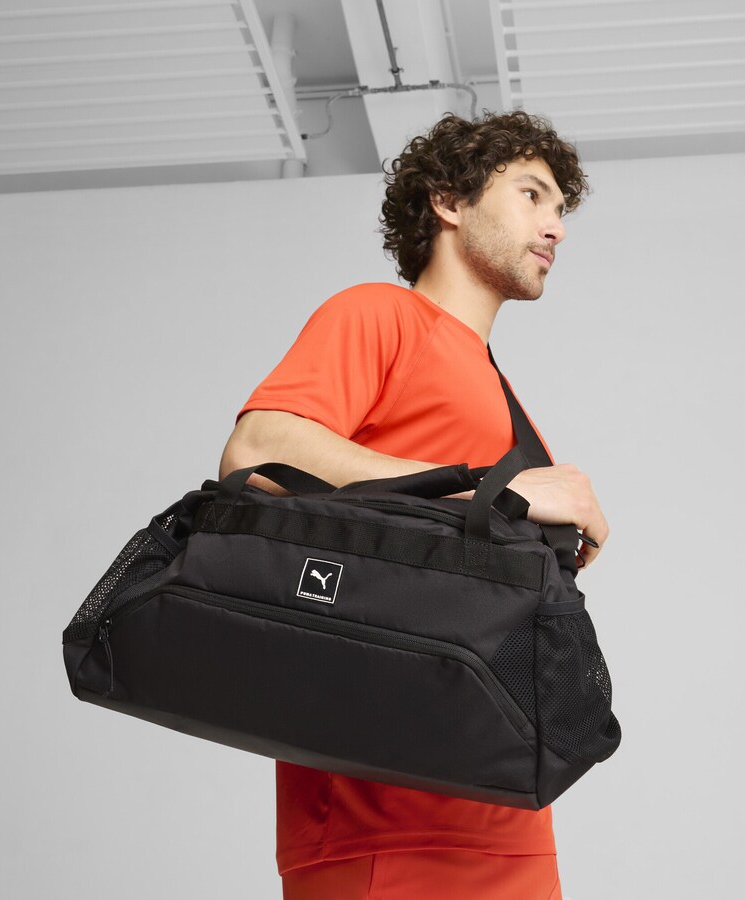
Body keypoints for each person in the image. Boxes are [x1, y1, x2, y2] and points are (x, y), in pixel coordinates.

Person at [218, 111, 609, 900]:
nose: (556, 227)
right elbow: (256, 455)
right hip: (382, 826)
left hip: (511, 819)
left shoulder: (502, 394)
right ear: (449, 200)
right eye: (531, 195)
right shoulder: (378, 314)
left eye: (561, 208)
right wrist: (502, 490)